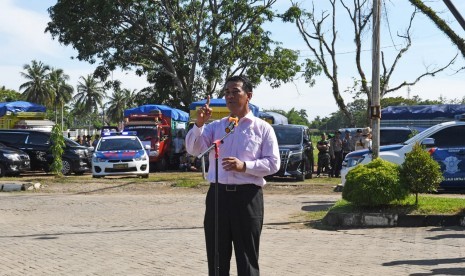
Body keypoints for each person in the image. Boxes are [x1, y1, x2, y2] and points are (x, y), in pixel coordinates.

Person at [185, 75, 280, 276]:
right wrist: (199, 124)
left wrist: (244, 166)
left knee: (247, 258)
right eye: (227, 92)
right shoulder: (216, 127)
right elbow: (194, 149)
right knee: (217, 257)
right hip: (218, 197)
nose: (230, 96)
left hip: (248, 198)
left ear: (249, 96)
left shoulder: (262, 129)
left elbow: (273, 163)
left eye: (235, 91)